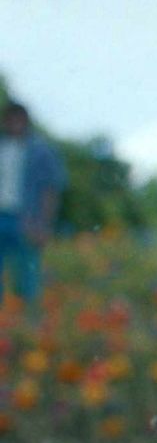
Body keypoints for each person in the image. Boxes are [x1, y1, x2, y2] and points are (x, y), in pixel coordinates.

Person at [0, 102, 66, 314]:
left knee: (27, 273)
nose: (14, 123)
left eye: (19, 119)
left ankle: (28, 322)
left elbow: (51, 188)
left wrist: (44, 224)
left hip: (26, 218)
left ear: (26, 121)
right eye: (10, 119)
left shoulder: (41, 151)